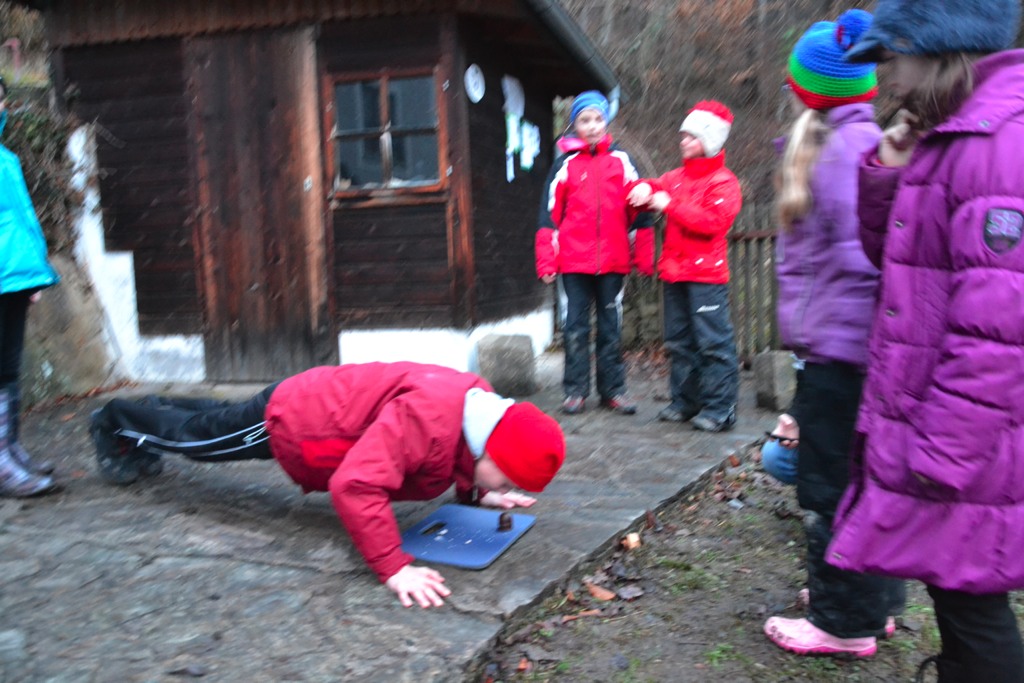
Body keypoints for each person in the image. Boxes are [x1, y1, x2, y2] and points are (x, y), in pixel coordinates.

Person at [825, 0, 1024, 679]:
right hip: (950, 430)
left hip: (969, 441)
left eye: (890, 58)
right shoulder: (953, 133)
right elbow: (904, 266)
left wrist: (942, 452)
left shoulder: (996, 146)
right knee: (960, 593)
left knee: (973, 603)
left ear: (932, 47)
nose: (885, 78)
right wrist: (888, 170)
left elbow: (998, 332)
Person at [90, 362, 566, 609]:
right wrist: (394, 568)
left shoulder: (478, 409)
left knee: (213, 421)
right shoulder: (426, 418)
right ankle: (114, 423)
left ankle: (146, 409)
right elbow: (355, 486)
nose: (505, 482)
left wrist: (481, 491)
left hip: (317, 400)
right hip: (294, 420)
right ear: (490, 451)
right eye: (505, 474)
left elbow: (460, 454)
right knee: (200, 441)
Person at [760, 9, 907, 659]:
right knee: (868, 479)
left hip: (843, 351)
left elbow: (860, 258)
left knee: (828, 486)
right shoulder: (859, 141)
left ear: (806, 88)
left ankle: (841, 624)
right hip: (855, 350)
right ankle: (874, 605)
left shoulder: (842, 152)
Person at [535, 90, 654, 416]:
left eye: (598, 119)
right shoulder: (564, 166)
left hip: (613, 261)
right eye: (584, 120)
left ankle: (613, 390)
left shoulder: (623, 162)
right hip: (573, 263)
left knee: (610, 328)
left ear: (606, 122)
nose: (592, 126)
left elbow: (640, 211)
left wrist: (643, 256)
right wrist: (546, 260)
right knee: (574, 328)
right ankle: (575, 391)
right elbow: (548, 215)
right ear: (574, 125)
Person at [626, 101, 742, 432]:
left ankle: (720, 408)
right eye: (684, 135)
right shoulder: (674, 177)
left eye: (691, 136)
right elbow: (651, 188)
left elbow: (713, 223)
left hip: (706, 277)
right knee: (679, 342)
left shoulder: (724, 182)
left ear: (708, 141)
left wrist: (669, 204)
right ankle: (685, 402)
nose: (683, 140)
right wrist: (642, 188)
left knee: (713, 343)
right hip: (674, 274)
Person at [0, 75, 59, 498]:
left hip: (14, 277)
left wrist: (31, 276)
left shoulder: (6, 159)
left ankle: (10, 449)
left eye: (0, 100)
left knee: (8, 369)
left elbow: (21, 221)